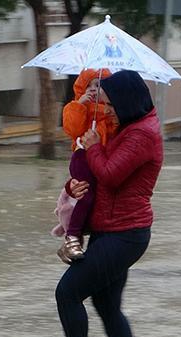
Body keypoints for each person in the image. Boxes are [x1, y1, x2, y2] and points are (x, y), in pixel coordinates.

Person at [41, 70, 163, 337]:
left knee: (68, 292)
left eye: (109, 103)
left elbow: (109, 175)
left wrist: (93, 148)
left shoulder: (142, 135)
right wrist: (72, 185)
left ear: (125, 101)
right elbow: (93, 178)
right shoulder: (127, 127)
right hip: (111, 230)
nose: (105, 109)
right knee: (107, 305)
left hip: (125, 234)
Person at [52, 69, 114, 263]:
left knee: (92, 198)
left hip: (100, 159)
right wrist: (80, 105)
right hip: (82, 157)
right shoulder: (78, 107)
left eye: (99, 86)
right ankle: (72, 238)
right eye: (90, 86)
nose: (94, 90)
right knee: (85, 195)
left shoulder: (111, 111)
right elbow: (72, 130)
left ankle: (73, 239)